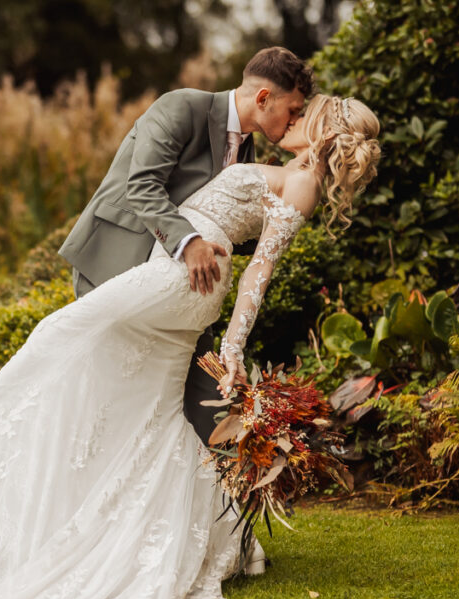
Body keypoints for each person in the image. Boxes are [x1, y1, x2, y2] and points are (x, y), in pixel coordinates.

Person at [0, 92, 381, 599]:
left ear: (322, 130)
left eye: (303, 117)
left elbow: (259, 277)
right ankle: (204, 539)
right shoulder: (291, 171)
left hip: (181, 282)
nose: (291, 122)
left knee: (58, 331)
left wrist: (232, 347)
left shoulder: (302, 185)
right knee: (150, 413)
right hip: (177, 273)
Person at [60, 46, 314, 446]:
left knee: (205, 396)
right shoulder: (182, 107)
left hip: (184, 289)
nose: (295, 119)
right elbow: (142, 186)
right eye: (293, 109)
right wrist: (189, 242)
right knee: (107, 397)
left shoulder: (247, 150)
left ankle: (225, 488)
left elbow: (220, 220)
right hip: (118, 263)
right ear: (263, 98)